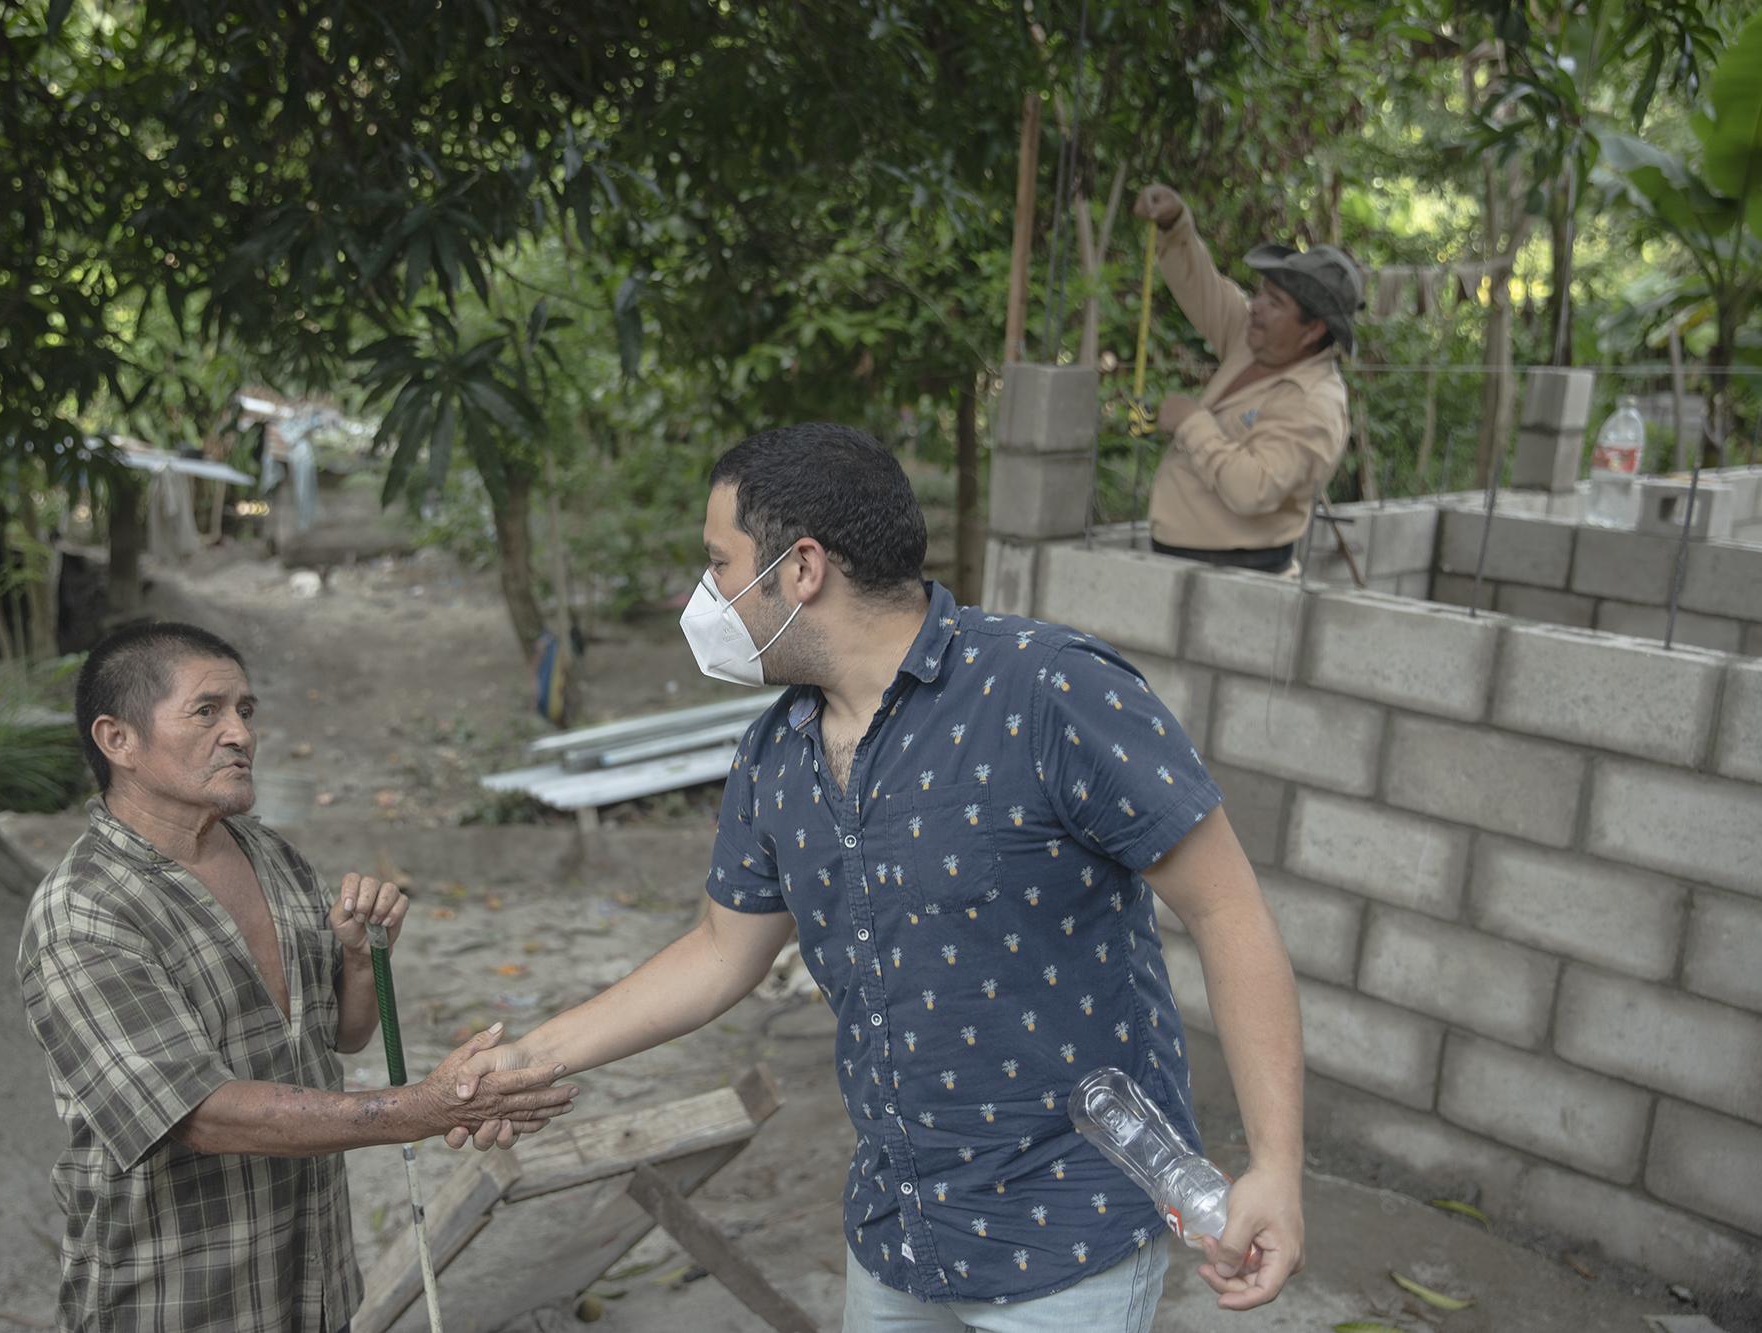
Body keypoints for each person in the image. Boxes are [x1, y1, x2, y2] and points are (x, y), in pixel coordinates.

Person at [452, 425, 1307, 1331]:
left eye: (720, 563)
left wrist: (1276, 1167)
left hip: (1069, 1232)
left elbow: (1229, 912)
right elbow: (716, 952)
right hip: (899, 1234)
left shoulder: (1049, 692)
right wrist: (530, 1058)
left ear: (802, 568)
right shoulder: (774, 752)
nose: (707, 597)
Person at [18, 621, 578, 1332]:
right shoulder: (83, 910)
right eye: (207, 710)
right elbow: (199, 1113)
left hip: (309, 1283)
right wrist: (421, 1109)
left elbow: (339, 1035)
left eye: (246, 711)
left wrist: (356, 957)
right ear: (118, 739)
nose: (241, 735)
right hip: (177, 1300)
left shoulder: (271, 856)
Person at [1134, 182, 1362, 576]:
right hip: (1183, 566)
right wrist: (1175, 224)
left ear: (1311, 331)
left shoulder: (1316, 404)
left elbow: (1253, 489)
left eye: (1275, 303)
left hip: (1241, 579)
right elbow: (1202, 288)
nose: (1254, 307)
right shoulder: (1252, 340)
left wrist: (1191, 423)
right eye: (1261, 294)